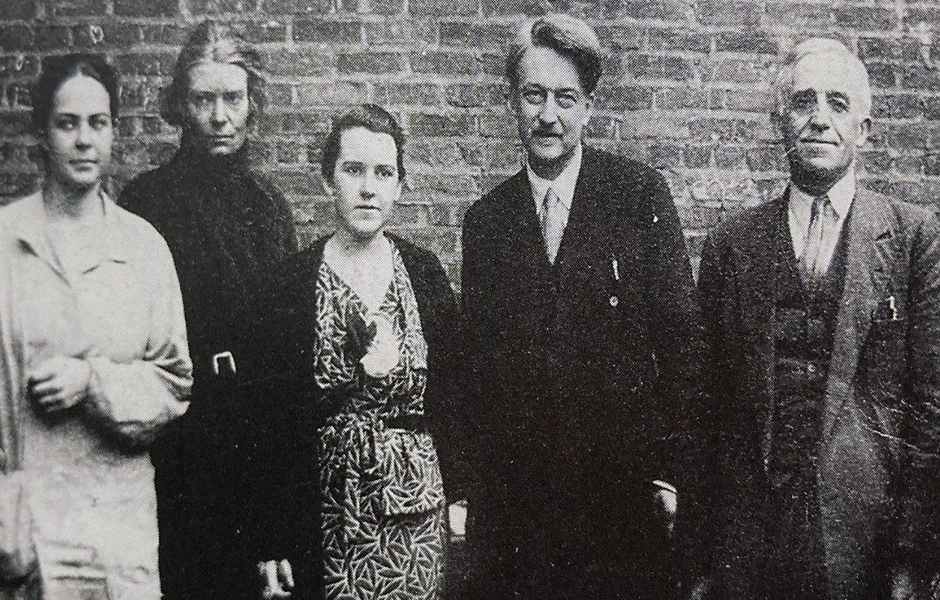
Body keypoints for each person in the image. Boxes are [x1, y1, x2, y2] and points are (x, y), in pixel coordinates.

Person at [457, 14, 702, 599]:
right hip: (519, 514)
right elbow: (477, 373)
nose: (548, 115)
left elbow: (683, 348)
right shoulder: (487, 222)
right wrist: (471, 493)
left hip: (621, 504)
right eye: (533, 95)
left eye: (565, 98)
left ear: (589, 107)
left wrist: (671, 475)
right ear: (512, 103)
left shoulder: (637, 196)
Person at [695, 38, 940, 599]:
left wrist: (912, 554)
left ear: (864, 129)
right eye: (803, 102)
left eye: (838, 103)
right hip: (750, 539)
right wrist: (704, 553)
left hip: (865, 536)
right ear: (780, 121)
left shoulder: (913, 238)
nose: (820, 119)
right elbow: (706, 403)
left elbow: (931, 405)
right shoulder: (732, 243)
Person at [0, 53, 191, 599]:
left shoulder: (143, 247)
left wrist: (91, 381)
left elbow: (174, 382)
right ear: (42, 134)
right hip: (30, 525)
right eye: (66, 123)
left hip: (118, 522)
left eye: (98, 123)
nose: (83, 141)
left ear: (113, 131)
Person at [117, 20, 298, 600]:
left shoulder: (269, 209)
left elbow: (282, 363)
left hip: (251, 448)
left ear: (252, 103)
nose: (220, 116)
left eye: (233, 98)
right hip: (178, 450)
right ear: (181, 106)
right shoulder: (146, 203)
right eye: (204, 100)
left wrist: (276, 513)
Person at [253, 104, 461, 600]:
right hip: (327, 510)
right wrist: (272, 535)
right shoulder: (291, 284)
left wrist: (462, 498)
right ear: (329, 181)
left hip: (415, 508)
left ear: (400, 185)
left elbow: (456, 396)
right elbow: (269, 419)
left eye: (383, 173)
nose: (369, 188)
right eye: (353, 170)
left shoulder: (424, 274)